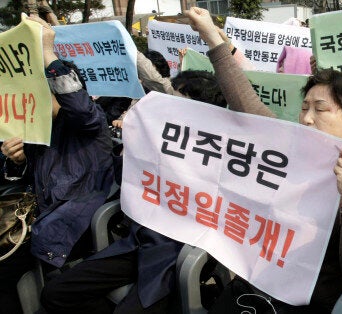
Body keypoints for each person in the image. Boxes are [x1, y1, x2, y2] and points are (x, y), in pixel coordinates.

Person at [186, 7, 342, 312]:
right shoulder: (286, 150)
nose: (306, 118)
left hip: (305, 302)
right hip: (258, 285)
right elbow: (246, 103)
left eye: (320, 109)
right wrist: (212, 36)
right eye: (304, 107)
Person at [40, 71, 228, 314]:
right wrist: (128, 156)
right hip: (138, 241)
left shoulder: (225, 159)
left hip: (175, 255)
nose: (167, 106)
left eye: (177, 101)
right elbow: (129, 185)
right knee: (56, 293)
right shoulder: (161, 138)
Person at [1, 13, 114, 313]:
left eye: (42, 93)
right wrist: (17, 160)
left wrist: (48, 54)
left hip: (73, 224)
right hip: (41, 217)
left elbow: (79, 106)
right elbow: (28, 178)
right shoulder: (36, 129)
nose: (33, 101)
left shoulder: (89, 122)